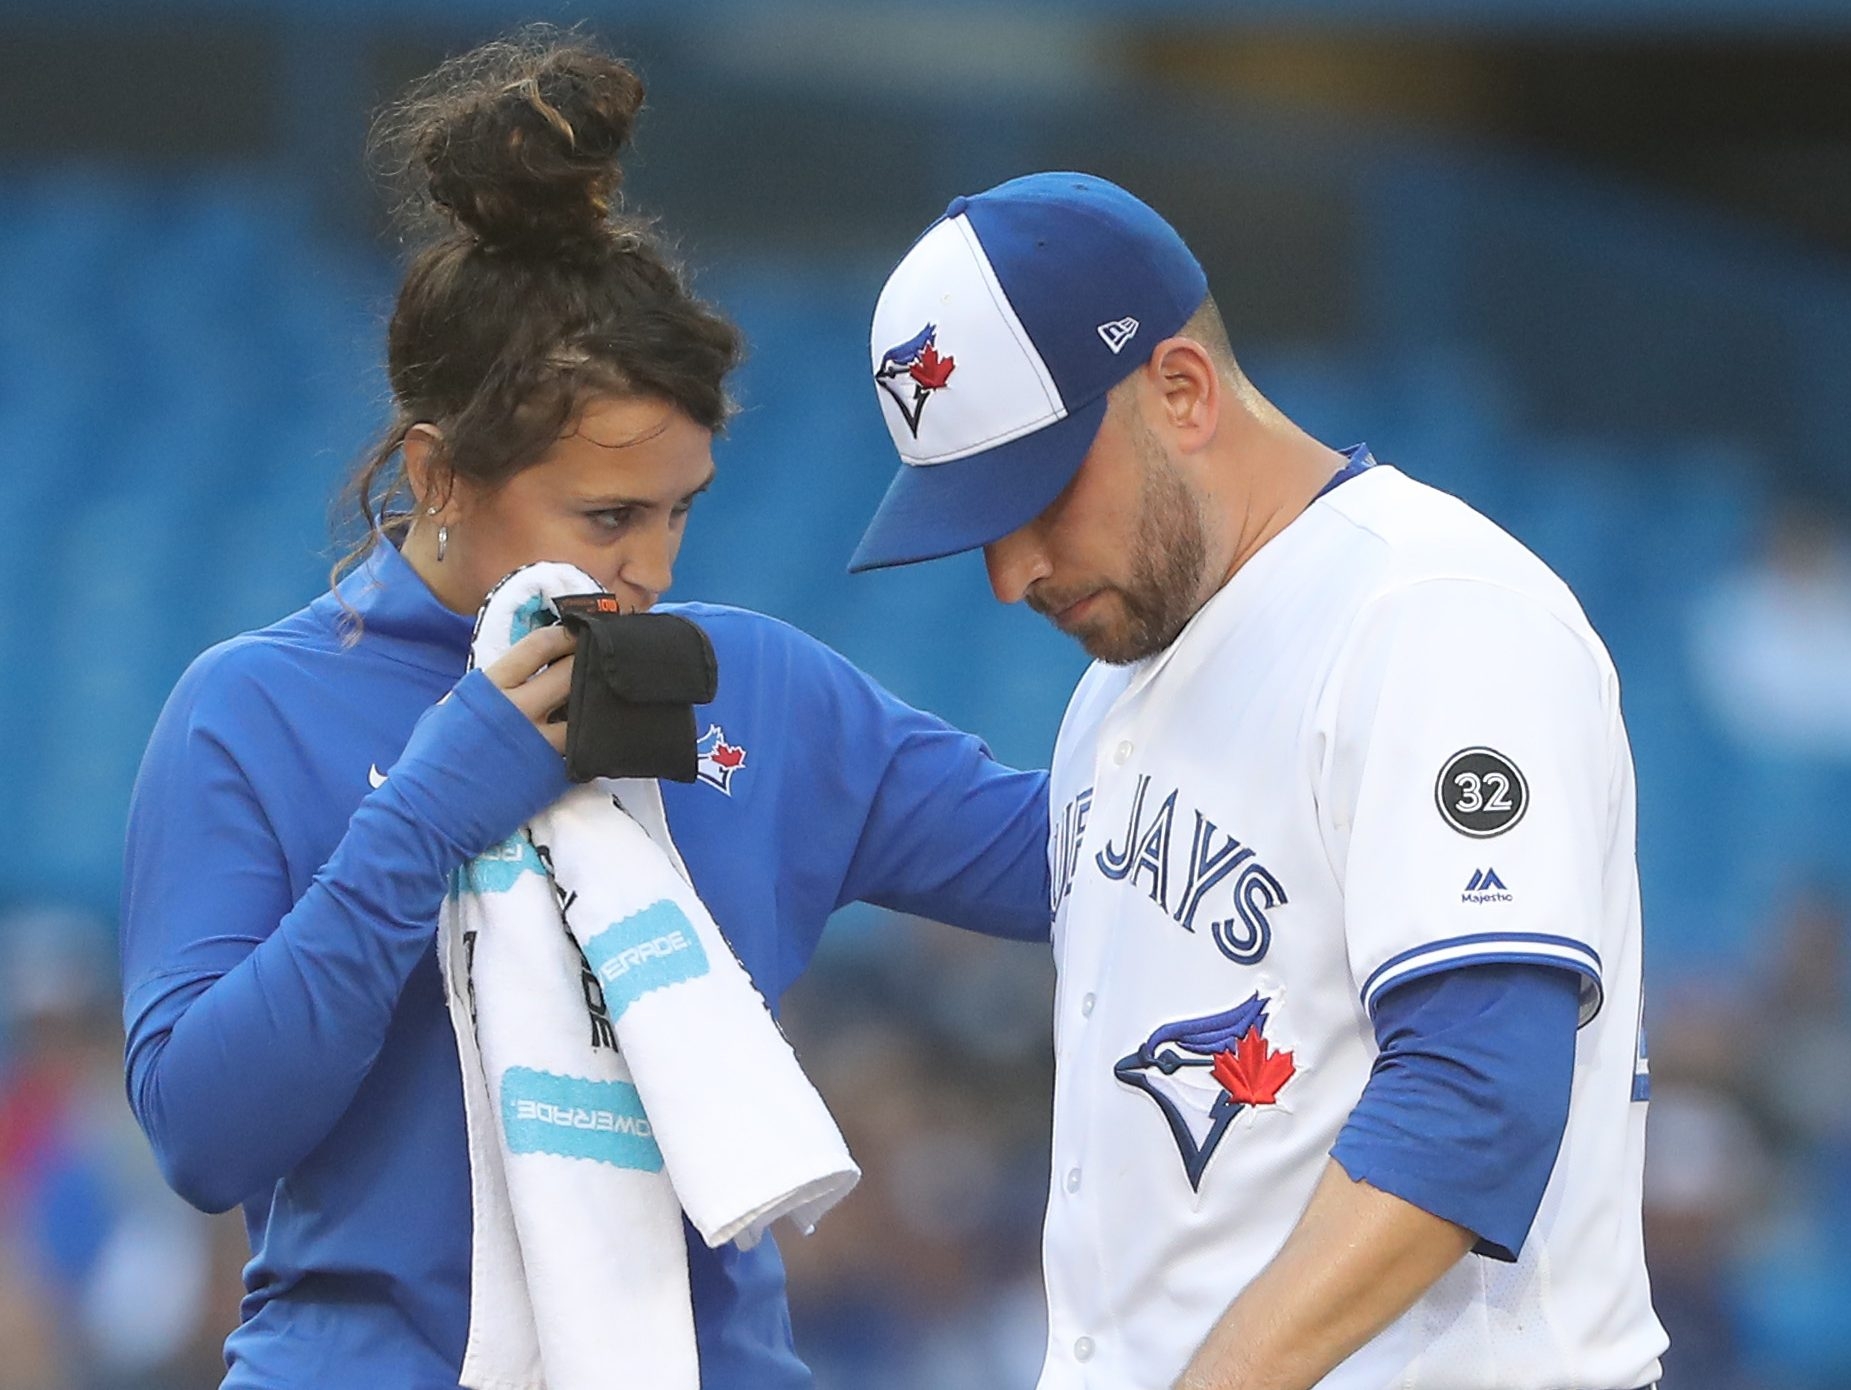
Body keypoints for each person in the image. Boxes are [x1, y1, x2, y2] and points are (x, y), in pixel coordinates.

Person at [118, 35, 1049, 1390]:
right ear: (439, 475)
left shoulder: (757, 690)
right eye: (609, 515)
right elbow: (204, 1136)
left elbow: (1091, 861)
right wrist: (433, 806)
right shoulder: (251, 709)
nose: (654, 569)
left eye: (682, 510)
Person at [852, 172, 1667, 1390]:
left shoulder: (1432, 612)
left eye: (1034, 493)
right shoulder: (1117, 681)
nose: (1010, 569)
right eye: (978, 520)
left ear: (1180, 391)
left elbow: (1479, 1089)